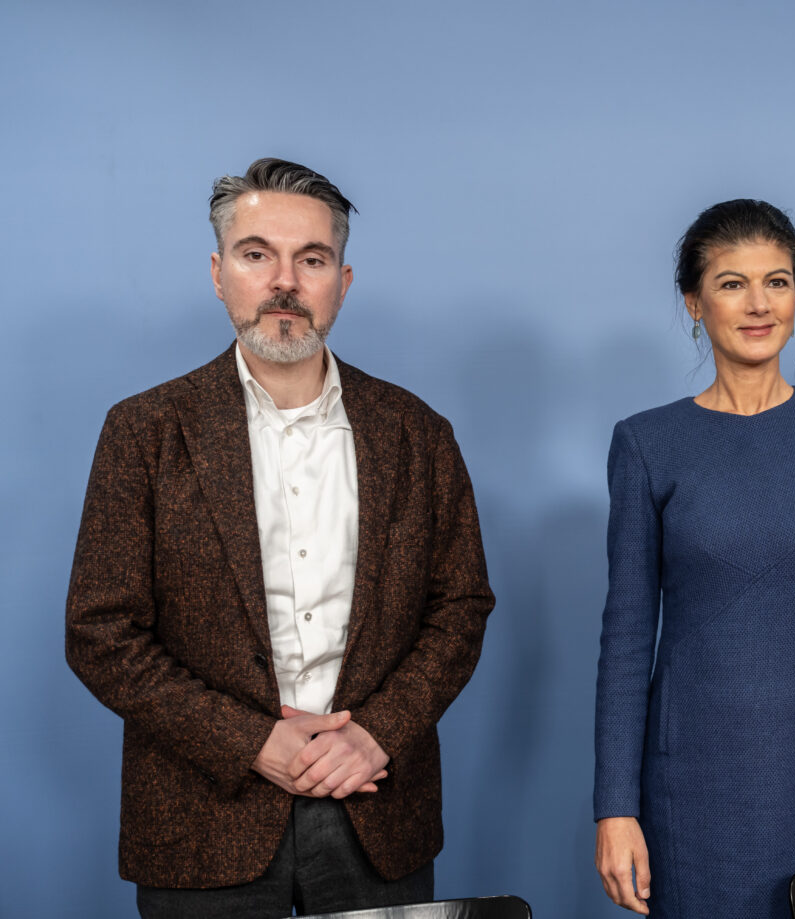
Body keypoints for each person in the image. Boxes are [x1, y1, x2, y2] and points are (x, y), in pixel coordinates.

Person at [66, 158, 496, 918]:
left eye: (313, 259)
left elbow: (460, 608)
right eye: (257, 253)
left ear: (344, 279)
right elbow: (100, 632)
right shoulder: (143, 431)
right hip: (202, 818)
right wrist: (250, 740)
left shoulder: (418, 434)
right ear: (218, 271)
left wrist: (376, 733)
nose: (284, 282)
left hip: (376, 812)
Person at [593, 199, 795, 919]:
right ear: (694, 302)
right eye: (733, 283)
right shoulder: (647, 443)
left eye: (779, 281)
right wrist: (615, 806)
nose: (759, 303)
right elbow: (626, 639)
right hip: (692, 792)